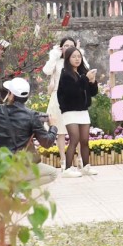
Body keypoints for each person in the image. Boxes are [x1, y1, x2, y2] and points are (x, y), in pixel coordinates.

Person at [0, 78, 59, 179]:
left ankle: (16, 189)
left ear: (11, 95)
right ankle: (20, 190)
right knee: (53, 173)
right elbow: (47, 142)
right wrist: (53, 126)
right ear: (27, 97)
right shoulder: (32, 116)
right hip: (19, 164)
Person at [43, 35, 84, 166]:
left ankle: (80, 159)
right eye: (65, 46)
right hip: (58, 98)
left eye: (71, 46)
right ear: (61, 47)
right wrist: (54, 56)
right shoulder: (58, 61)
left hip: (75, 98)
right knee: (61, 131)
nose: (68, 48)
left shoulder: (76, 61)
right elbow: (47, 71)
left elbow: (85, 70)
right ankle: (63, 160)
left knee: (76, 130)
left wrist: (79, 53)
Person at [57, 48, 99, 176]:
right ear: (68, 59)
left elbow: (92, 93)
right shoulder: (65, 74)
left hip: (82, 110)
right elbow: (72, 92)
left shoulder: (82, 73)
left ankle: (86, 166)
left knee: (85, 140)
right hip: (70, 111)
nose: (77, 59)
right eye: (74, 57)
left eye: (79, 56)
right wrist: (85, 79)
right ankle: (68, 168)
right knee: (74, 139)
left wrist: (92, 82)